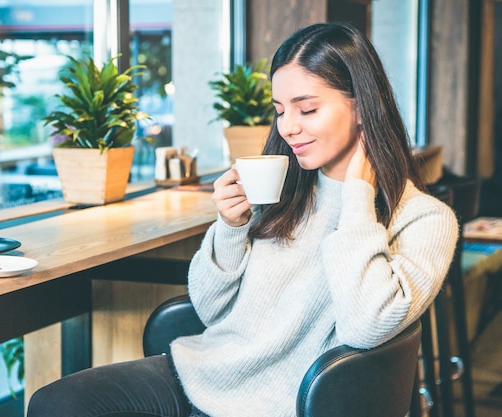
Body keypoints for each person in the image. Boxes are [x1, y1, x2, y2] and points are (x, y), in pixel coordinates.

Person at [27, 22, 459, 417]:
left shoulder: (425, 219)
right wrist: (230, 229)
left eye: (307, 110)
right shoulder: (281, 189)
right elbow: (211, 310)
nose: (288, 127)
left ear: (363, 106)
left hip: (284, 402)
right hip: (204, 371)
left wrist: (359, 196)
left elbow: (367, 328)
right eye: (280, 109)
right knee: (55, 403)